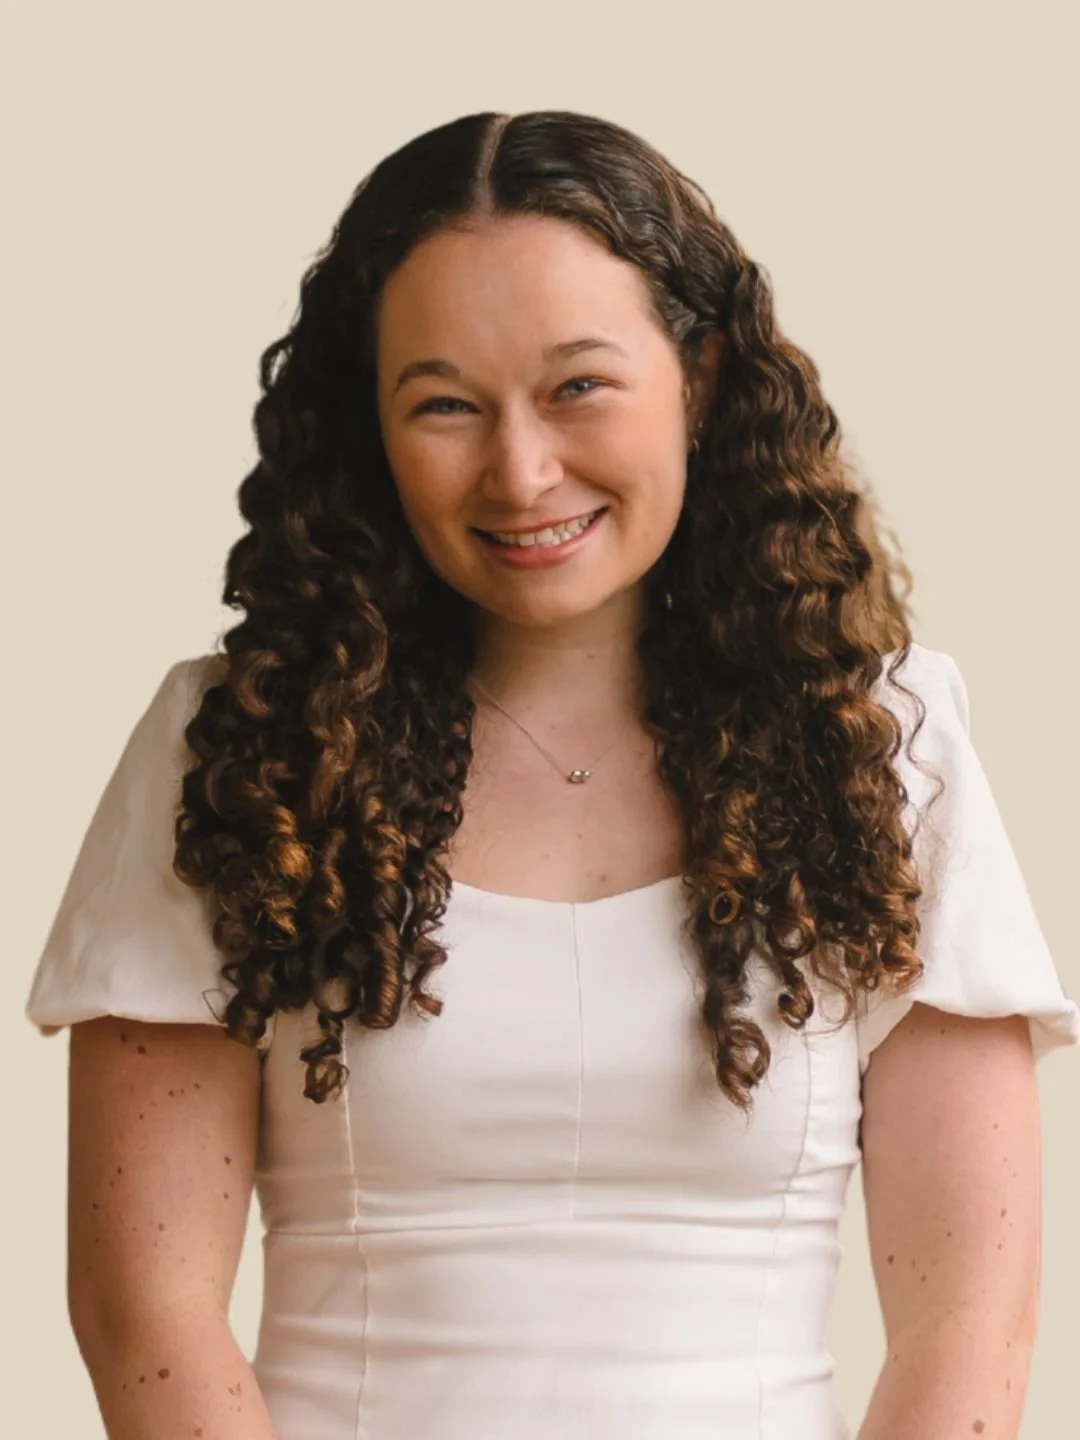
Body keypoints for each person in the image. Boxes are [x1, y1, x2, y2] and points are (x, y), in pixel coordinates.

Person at [25, 109, 1079, 1440]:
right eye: (446, 404)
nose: (521, 473)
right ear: (372, 427)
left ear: (696, 377)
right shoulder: (239, 748)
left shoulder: (886, 740)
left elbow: (970, 1325)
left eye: (579, 386)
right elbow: (146, 1318)